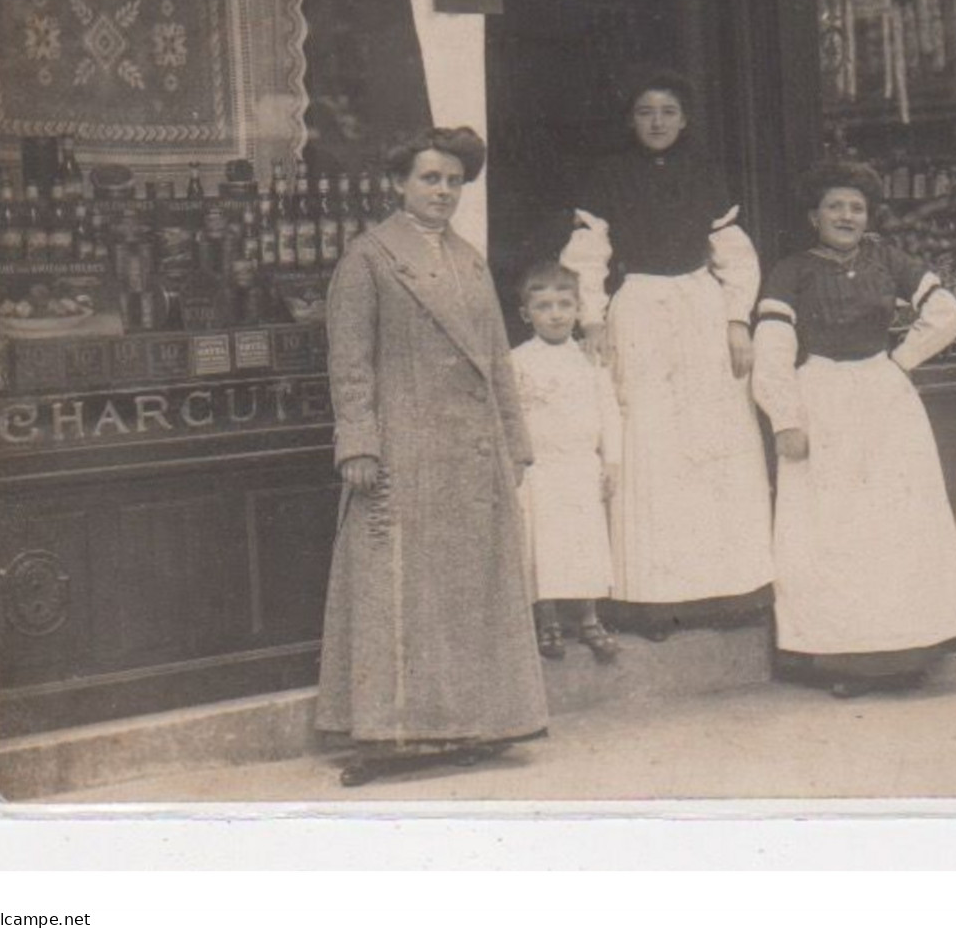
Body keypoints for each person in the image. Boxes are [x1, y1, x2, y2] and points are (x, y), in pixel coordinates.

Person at [316, 127, 548, 786]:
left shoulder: (469, 259)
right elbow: (350, 364)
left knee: (468, 591)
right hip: (404, 449)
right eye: (429, 178)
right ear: (398, 183)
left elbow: (497, 358)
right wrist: (357, 441)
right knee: (400, 591)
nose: (443, 191)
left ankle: (472, 718)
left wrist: (516, 439)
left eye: (452, 180)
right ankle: (397, 729)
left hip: (472, 453)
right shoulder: (369, 259)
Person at [752, 162, 956, 698]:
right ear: (814, 216)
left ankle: (906, 652)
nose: (846, 216)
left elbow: (948, 313)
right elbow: (772, 351)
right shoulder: (791, 271)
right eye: (835, 206)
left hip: (885, 400)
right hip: (822, 399)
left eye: (856, 207)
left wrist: (900, 361)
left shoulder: (889, 261)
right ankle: (846, 659)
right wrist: (785, 418)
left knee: (895, 522)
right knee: (835, 530)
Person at [560, 71, 773, 639]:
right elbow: (587, 258)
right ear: (632, 120)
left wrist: (735, 319)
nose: (657, 122)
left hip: (701, 313)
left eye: (669, 111)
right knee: (650, 445)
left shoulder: (705, 174)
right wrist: (592, 320)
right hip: (640, 314)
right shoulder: (609, 176)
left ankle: (725, 592)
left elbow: (735, 255)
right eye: (646, 111)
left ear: (685, 119)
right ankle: (654, 600)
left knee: (712, 444)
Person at [510, 260, 624, 662]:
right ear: (527, 314)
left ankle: (590, 619)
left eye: (564, 304)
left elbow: (608, 410)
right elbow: (513, 415)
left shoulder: (588, 358)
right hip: (540, 469)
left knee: (585, 543)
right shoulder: (518, 360)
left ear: (578, 309)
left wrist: (611, 461)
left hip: (580, 466)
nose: (556, 314)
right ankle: (548, 621)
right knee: (544, 544)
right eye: (544, 306)